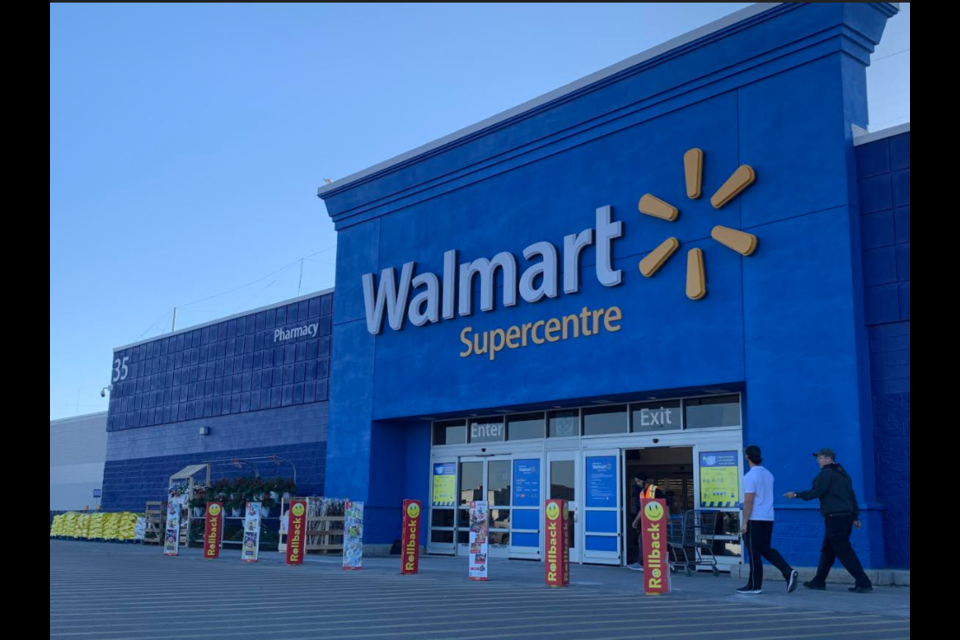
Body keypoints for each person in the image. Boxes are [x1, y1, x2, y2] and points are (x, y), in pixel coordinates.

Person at [784, 448, 873, 594]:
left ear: (828, 458)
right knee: (828, 550)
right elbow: (851, 496)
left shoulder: (826, 474)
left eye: (820, 457)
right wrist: (855, 516)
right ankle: (819, 581)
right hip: (845, 517)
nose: (817, 460)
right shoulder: (843, 474)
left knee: (843, 550)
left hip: (835, 518)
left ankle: (863, 582)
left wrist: (795, 494)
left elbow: (816, 492)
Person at [737, 445, 799, 595]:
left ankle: (754, 586)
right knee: (765, 549)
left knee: (753, 553)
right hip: (768, 518)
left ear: (747, 457)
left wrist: (744, 522)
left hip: (755, 518)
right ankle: (787, 571)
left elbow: (749, 501)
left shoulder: (749, 476)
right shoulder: (769, 474)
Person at [628, 475, 668, 570]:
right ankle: (646, 562)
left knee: (644, 541)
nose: (637, 484)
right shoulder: (642, 493)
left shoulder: (654, 490)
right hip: (648, 522)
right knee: (643, 541)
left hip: (656, 522)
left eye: (638, 481)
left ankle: (643, 563)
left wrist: (667, 516)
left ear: (644, 481)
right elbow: (642, 509)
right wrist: (636, 521)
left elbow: (666, 502)